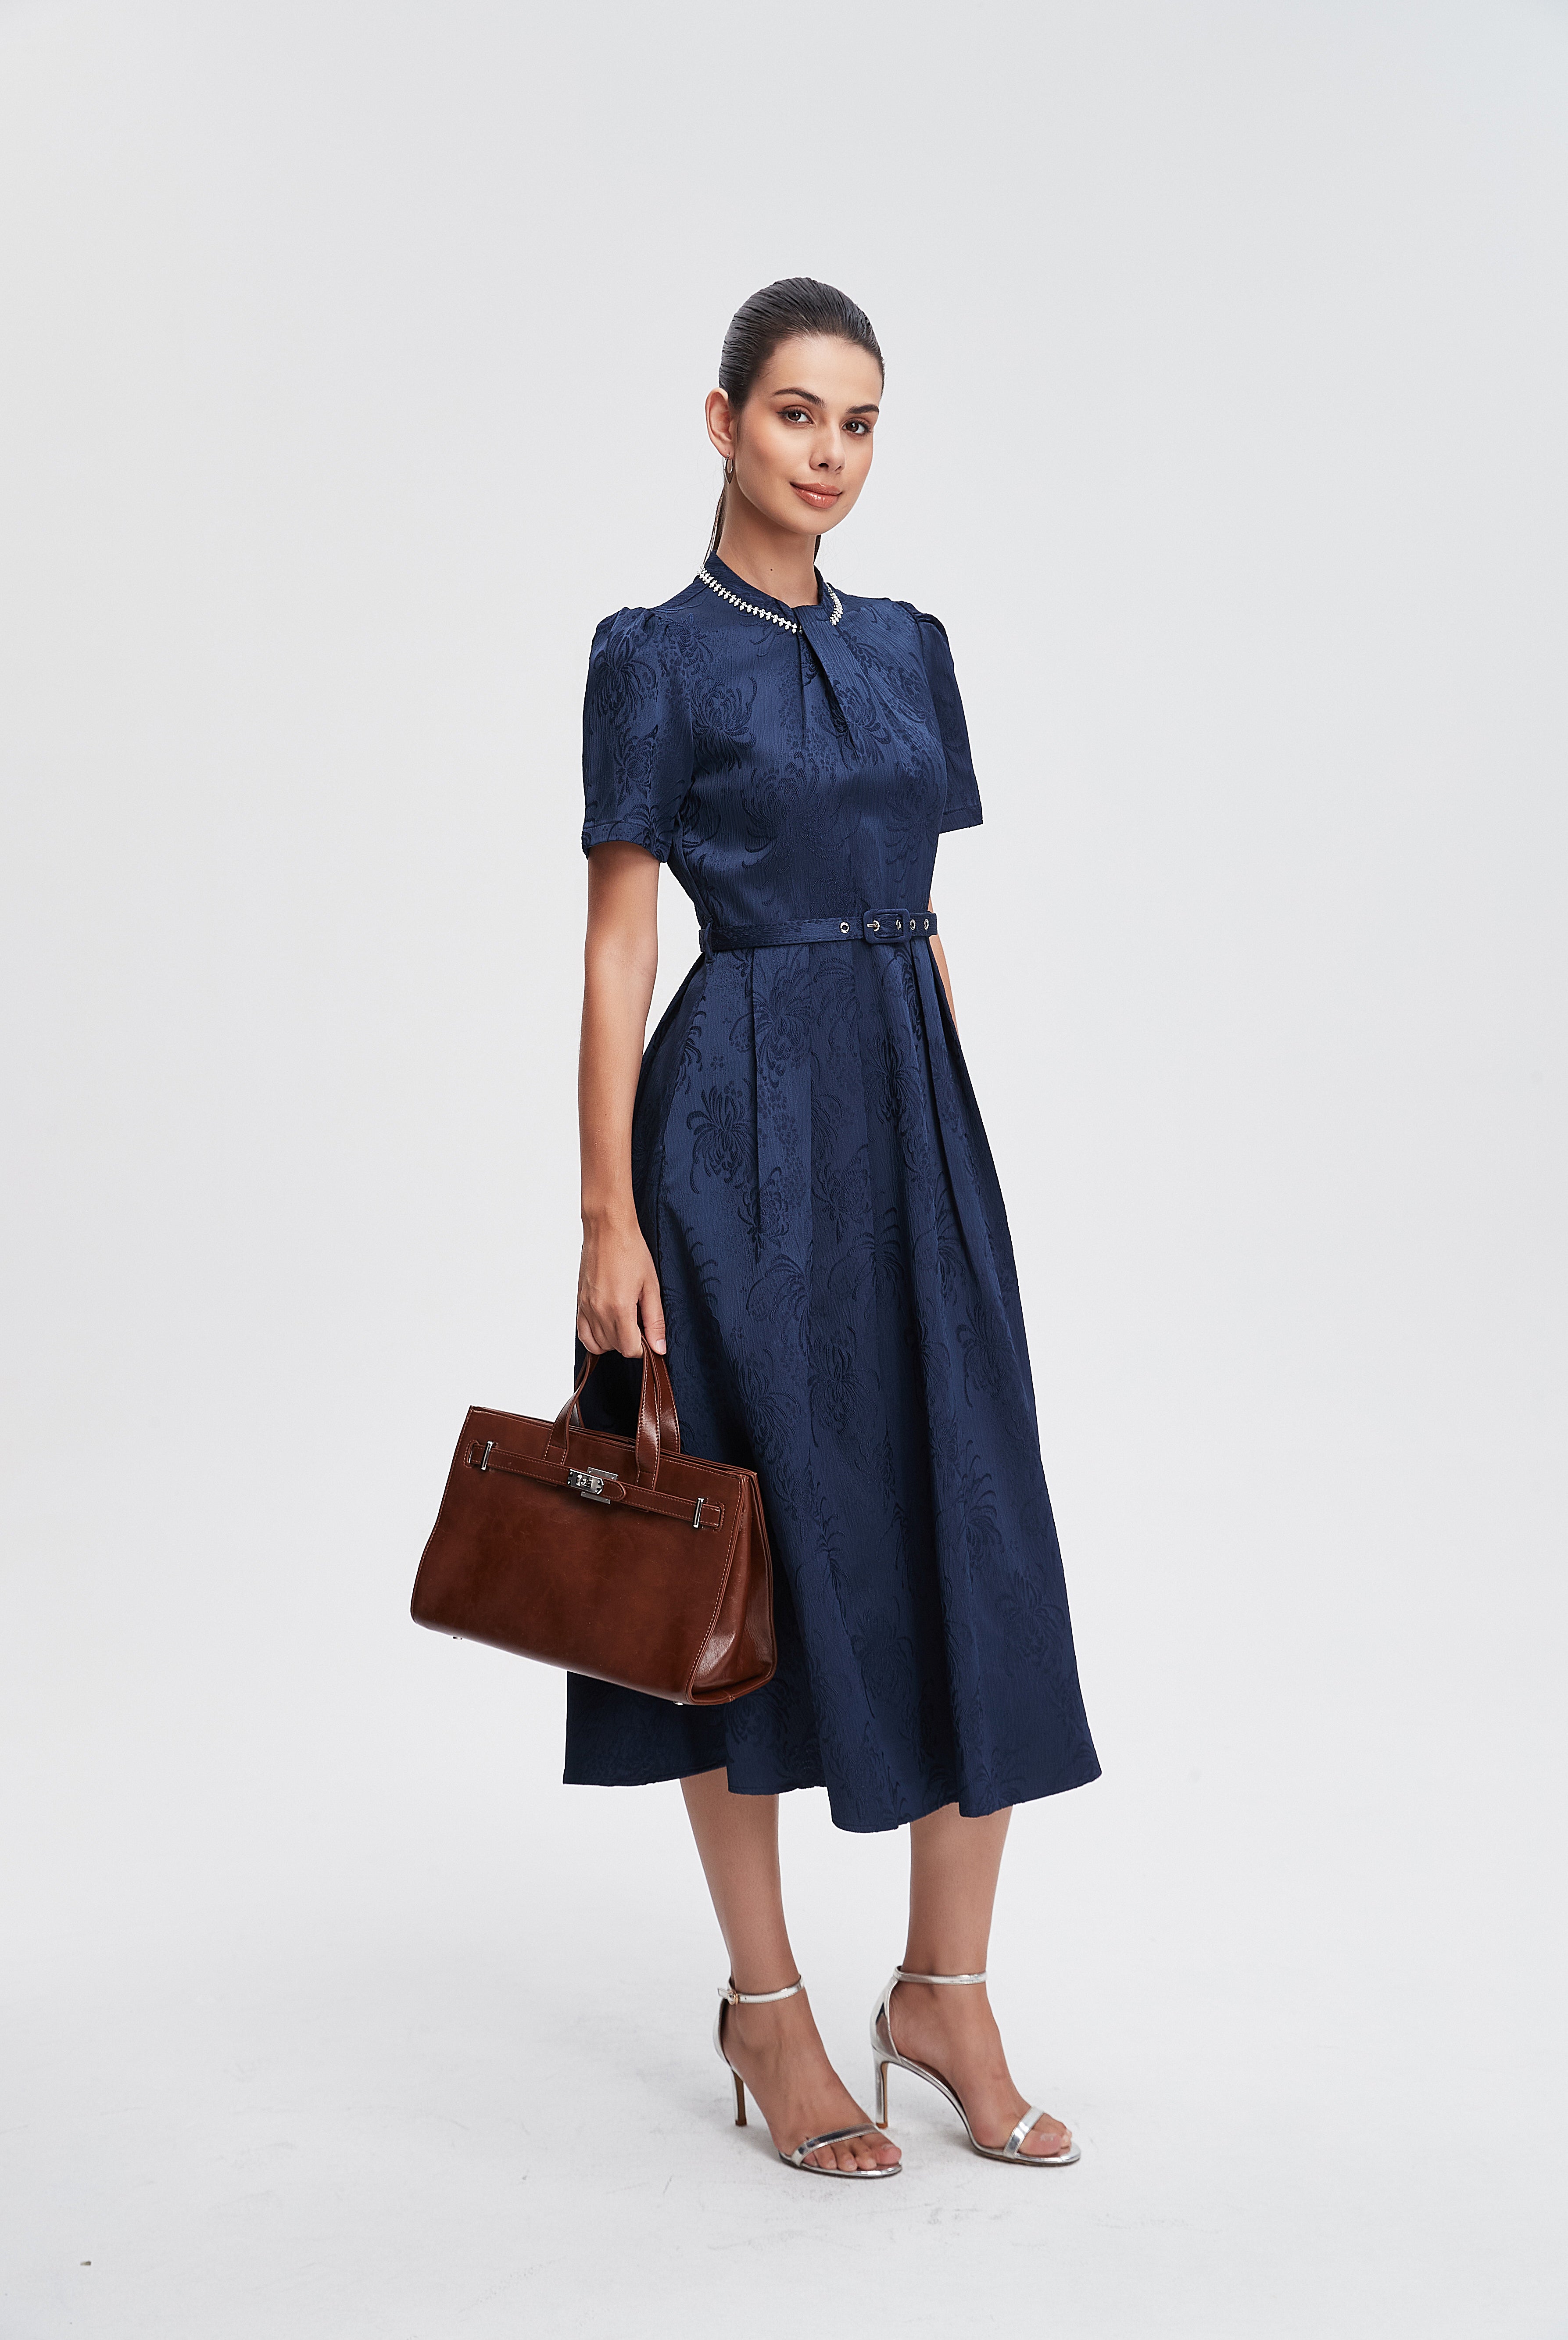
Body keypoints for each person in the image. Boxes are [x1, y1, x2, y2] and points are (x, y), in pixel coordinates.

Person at [569, 277, 1099, 2177]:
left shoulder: (911, 649)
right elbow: (620, 944)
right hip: (730, 1128)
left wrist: (949, 1147)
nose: (830, 453)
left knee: (976, 1518)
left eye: (860, 423)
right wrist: (608, 1214)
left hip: (907, 1112)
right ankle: (770, 2002)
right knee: (737, 1561)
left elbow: (920, 910)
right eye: (797, 413)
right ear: (722, 422)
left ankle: (945, 1991)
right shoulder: (652, 656)